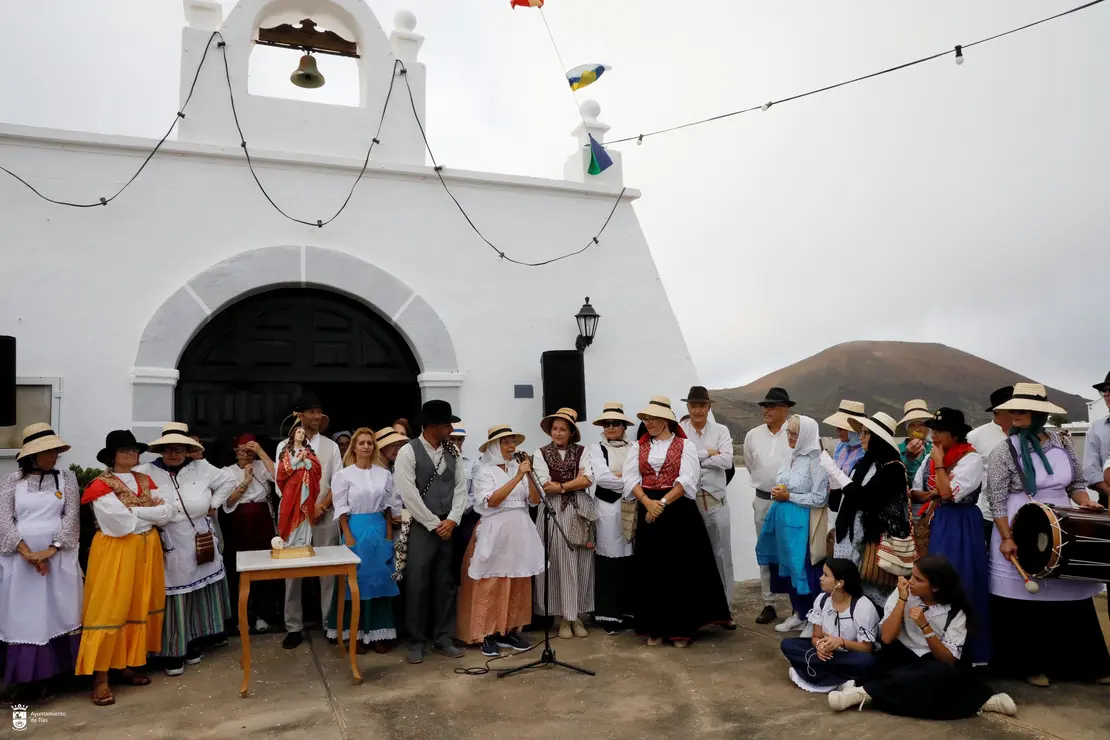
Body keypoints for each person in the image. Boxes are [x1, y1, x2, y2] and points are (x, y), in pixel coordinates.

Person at [985, 383, 1110, 686]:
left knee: (1071, 595)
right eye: (1013, 408)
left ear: (1039, 414)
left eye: (1021, 409)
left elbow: (1076, 483)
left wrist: (1085, 503)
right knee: (1024, 599)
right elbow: (997, 498)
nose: (1014, 414)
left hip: (1060, 523)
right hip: (1021, 522)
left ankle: (1084, 664)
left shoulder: (1063, 443)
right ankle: (1029, 664)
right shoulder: (1004, 450)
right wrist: (1006, 537)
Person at [828, 557, 1016, 719]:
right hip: (901, 655)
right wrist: (902, 600)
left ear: (934, 587)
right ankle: (978, 700)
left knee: (941, 675)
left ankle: (864, 692)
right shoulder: (904, 593)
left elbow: (948, 658)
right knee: (881, 666)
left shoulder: (955, 611)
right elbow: (886, 637)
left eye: (918, 579)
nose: (910, 582)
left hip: (933, 661)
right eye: (912, 576)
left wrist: (925, 627)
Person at [76, 430, 174, 706]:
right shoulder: (101, 484)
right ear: (112, 456)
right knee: (109, 607)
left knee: (137, 604)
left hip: (146, 548)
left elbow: (167, 513)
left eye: (134, 450)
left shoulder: (145, 479)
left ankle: (124, 664)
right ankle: (100, 676)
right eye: (125, 450)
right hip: (115, 550)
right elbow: (116, 522)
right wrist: (147, 513)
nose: (132, 454)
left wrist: (137, 512)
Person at [623, 396, 730, 647]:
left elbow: (687, 479)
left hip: (678, 510)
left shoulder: (685, 446)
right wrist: (647, 502)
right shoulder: (638, 447)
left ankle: (680, 629)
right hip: (648, 507)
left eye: (653, 419)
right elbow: (630, 478)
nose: (648, 423)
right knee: (652, 568)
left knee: (679, 568)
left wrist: (660, 503)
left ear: (666, 421)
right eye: (646, 419)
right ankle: (655, 628)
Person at [135, 423, 236, 676]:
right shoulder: (145, 472)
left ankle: (192, 642)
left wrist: (213, 503)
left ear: (187, 450)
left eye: (179, 449)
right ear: (161, 450)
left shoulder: (201, 468)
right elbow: (128, 492)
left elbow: (229, 480)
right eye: (168, 449)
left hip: (198, 537)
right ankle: (172, 651)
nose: (173, 454)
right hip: (166, 539)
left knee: (196, 593)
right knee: (172, 596)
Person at [0, 425, 82, 702]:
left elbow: (71, 518)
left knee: (58, 611)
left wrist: (51, 549)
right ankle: (25, 679)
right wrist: (26, 552)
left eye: (56, 450)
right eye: (48, 451)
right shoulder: (11, 482)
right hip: (20, 561)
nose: (54, 455)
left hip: (58, 558)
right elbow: (4, 519)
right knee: (24, 615)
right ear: (31, 456)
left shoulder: (67, 479)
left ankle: (56, 676)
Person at [909, 408, 990, 666]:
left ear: (954, 434)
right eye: (932, 430)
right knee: (932, 579)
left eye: (939, 431)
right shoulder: (933, 457)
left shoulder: (971, 459)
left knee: (960, 577)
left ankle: (968, 651)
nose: (934, 436)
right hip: (938, 520)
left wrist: (940, 465)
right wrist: (931, 492)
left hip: (961, 523)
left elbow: (948, 494)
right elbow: (918, 491)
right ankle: (931, 643)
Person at [457, 425, 544, 655]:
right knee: (492, 583)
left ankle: (510, 630)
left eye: (512, 441)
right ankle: (487, 633)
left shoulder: (520, 468)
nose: (511, 446)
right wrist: (517, 477)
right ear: (494, 446)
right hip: (495, 531)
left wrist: (529, 475)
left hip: (520, 531)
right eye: (505, 442)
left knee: (517, 581)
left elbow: (534, 500)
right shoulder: (484, 471)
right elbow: (492, 500)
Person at [394, 400, 468, 664]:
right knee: (418, 583)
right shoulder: (408, 452)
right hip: (423, 528)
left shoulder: (453, 452)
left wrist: (453, 520)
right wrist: (432, 523)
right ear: (433, 426)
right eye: (447, 423)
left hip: (448, 526)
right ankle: (416, 639)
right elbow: (408, 494)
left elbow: (461, 488)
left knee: (445, 583)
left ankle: (443, 636)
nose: (451, 428)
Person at [819, 411, 911, 606]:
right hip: (850, 539)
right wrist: (835, 482)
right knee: (846, 586)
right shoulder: (863, 464)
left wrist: (835, 471)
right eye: (860, 432)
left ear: (877, 438)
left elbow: (865, 499)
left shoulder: (892, 468)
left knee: (871, 590)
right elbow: (842, 501)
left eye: (866, 433)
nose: (861, 437)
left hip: (872, 543)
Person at [276, 393, 342, 650]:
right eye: (312, 412)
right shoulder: (285, 446)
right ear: (300, 416)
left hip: (324, 515)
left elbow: (338, 481)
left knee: (328, 572)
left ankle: (330, 624)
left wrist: (322, 505)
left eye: (319, 412)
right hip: (295, 517)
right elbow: (281, 483)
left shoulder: (331, 446)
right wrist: (302, 509)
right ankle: (293, 627)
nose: (316, 416)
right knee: (292, 573)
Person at [327, 428, 399, 654]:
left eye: (370, 443)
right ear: (354, 448)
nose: (366, 446)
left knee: (380, 579)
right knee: (355, 581)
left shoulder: (383, 474)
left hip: (378, 528)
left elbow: (388, 506)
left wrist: (388, 533)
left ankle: (380, 632)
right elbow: (340, 508)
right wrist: (347, 534)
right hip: (356, 528)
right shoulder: (344, 475)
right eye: (362, 443)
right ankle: (355, 634)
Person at [757, 415, 830, 636]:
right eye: (788, 432)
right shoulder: (792, 456)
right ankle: (799, 613)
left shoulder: (816, 461)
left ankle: (813, 618)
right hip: (782, 519)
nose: (789, 437)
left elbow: (819, 498)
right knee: (786, 567)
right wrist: (779, 492)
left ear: (806, 435)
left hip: (801, 522)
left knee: (804, 568)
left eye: (794, 433)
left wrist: (789, 496)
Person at [532, 407, 596, 639]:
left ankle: (576, 615)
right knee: (557, 561)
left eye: (563, 429)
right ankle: (562, 618)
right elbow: (543, 484)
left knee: (580, 560)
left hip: (579, 511)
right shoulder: (540, 453)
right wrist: (572, 482)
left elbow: (588, 478)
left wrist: (560, 486)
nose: (557, 433)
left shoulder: (583, 451)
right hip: (552, 511)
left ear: (571, 432)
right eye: (555, 429)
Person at [680, 386, 737, 627]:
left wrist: (696, 457)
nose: (698, 410)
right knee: (693, 556)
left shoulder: (721, 430)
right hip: (690, 504)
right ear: (688, 407)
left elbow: (727, 459)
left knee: (722, 555)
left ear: (708, 407)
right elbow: (680, 459)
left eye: (702, 405)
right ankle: (698, 612)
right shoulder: (681, 431)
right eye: (694, 405)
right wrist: (708, 453)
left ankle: (725, 611)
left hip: (716, 501)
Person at [780, 558, 879, 693]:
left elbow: (867, 648)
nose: (821, 578)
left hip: (849, 655)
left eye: (826, 575)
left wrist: (841, 642)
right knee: (787, 644)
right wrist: (820, 646)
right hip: (829, 655)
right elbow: (816, 636)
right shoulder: (821, 600)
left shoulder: (862, 606)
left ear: (840, 583)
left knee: (867, 661)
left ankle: (808, 672)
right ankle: (841, 681)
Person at [743, 387, 795, 625]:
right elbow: (751, 464)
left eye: (771, 406)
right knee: (765, 552)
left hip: (791, 502)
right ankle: (769, 603)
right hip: (763, 499)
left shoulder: (796, 433)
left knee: (792, 552)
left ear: (785, 408)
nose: (766, 410)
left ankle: (798, 606)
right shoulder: (753, 435)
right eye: (764, 406)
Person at [221, 433, 278, 634]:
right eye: (241, 448)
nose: (245, 452)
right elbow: (227, 502)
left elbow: (279, 477)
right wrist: (246, 481)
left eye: (249, 448)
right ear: (235, 451)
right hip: (240, 520)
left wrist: (260, 453)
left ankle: (263, 614)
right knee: (240, 569)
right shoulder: (227, 472)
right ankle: (242, 616)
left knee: (263, 566)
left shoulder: (261, 465)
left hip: (262, 518)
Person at [588, 403, 636, 634]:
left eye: (615, 423)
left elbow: (642, 473)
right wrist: (630, 480)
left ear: (624, 426)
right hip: (607, 510)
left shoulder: (635, 447)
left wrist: (623, 476)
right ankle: (609, 615)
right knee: (609, 559)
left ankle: (629, 612)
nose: (611, 427)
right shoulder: (596, 449)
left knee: (630, 559)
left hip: (632, 507)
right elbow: (603, 478)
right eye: (607, 424)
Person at [968, 386, 1014, 544]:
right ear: (998, 410)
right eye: (1013, 408)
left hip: (1021, 510)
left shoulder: (1027, 436)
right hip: (987, 513)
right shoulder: (975, 437)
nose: (1018, 412)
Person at [450, 421, 481, 588]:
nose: (456, 444)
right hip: (442, 518)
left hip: (465, 517)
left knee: (465, 555)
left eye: (460, 440)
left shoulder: (472, 464)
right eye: (453, 439)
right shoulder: (438, 462)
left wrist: (456, 510)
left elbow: (475, 494)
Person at [1083, 371, 1110, 508]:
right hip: (1107, 502)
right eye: (1104, 391)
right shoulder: (1096, 428)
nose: (1106, 394)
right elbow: (1091, 470)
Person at [822, 400, 866, 477]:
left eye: (840, 428)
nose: (837, 431)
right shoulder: (840, 446)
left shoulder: (864, 452)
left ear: (852, 430)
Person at [897, 400, 933, 486]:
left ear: (928, 429)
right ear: (907, 430)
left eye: (921, 424)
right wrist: (908, 458)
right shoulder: (896, 450)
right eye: (912, 425)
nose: (917, 429)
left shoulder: (936, 449)